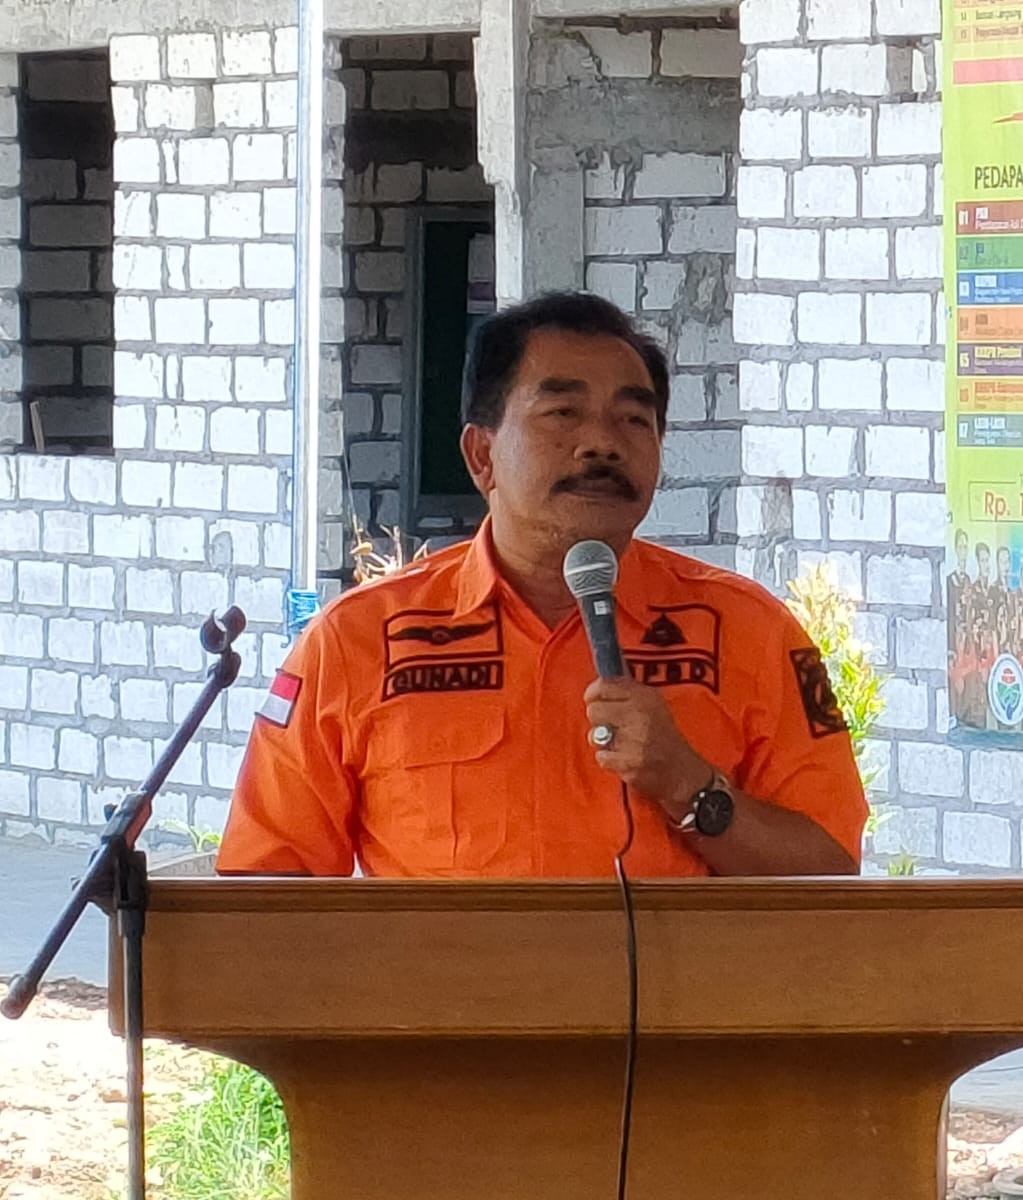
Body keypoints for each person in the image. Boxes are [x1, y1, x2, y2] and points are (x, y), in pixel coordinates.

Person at [216, 292, 868, 879]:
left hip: (682, 984)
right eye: (563, 413)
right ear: (481, 456)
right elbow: (267, 885)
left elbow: (829, 866)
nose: (601, 444)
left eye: (633, 420)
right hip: (445, 983)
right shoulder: (357, 640)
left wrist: (687, 786)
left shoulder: (750, 632)